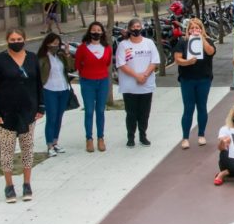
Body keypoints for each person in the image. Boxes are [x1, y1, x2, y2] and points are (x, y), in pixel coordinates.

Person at [0, 29, 44, 203]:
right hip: (5, 113)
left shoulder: (32, 58)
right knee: (7, 150)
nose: (16, 41)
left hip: (28, 112)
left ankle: (27, 184)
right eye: (12, 39)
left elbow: (38, 83)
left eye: (19, 39)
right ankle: (9, 186)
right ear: (7, 41)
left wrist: (41, 106)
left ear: (25, 39)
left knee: (27, 147)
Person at [116, 18, 160, 148]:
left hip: (146, 85)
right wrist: (136, 76)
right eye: (134, 27)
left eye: (138, 26)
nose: (136, 29)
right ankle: (131, 137)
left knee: (144, 112)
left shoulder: (149, 43)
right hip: (130, 86)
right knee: (131, 113)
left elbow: (155, 61)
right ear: (129, 29)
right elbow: (121, 64)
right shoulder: (123, 45)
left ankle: (143, 135)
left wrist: (145, 75)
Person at [174, 18, 216, 150]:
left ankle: (201, 134)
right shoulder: (183, 42)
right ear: (188, 30)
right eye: (192, 28)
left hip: (204, 78)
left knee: (202, 106)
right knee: (188, 108)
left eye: (197, 28)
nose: (194, 30)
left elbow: (211, 52)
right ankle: (185, 137)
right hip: (187, 79)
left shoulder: (208, 40)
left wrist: (201, 39)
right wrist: (187, 62)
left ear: (201, 29)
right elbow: (177, 59)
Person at [75, 22, 112, 153]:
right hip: (87, 82)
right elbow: (78, 64)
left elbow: (107, 62)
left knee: (100, 110)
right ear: (89, 32)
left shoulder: (107, 48)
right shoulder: (83, 48)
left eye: (98, 30)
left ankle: (100, 138)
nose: (96, 32)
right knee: (89, 111)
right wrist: (86, 74)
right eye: (93, 30)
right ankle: (89, 139)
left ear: (102, 32)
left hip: (102, 81)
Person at [37, 34, 73, 157]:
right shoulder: (42, 58)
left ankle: (55, 142)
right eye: (53, 43)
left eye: (58, 43)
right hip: (49, 90)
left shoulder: (60, 56)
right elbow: (38, 76)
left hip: (63, 90)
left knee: (59, 117)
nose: (56, 45)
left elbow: (71, 68)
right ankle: (49, 145)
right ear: (47, 43)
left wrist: (67, 54)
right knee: (51, 118)